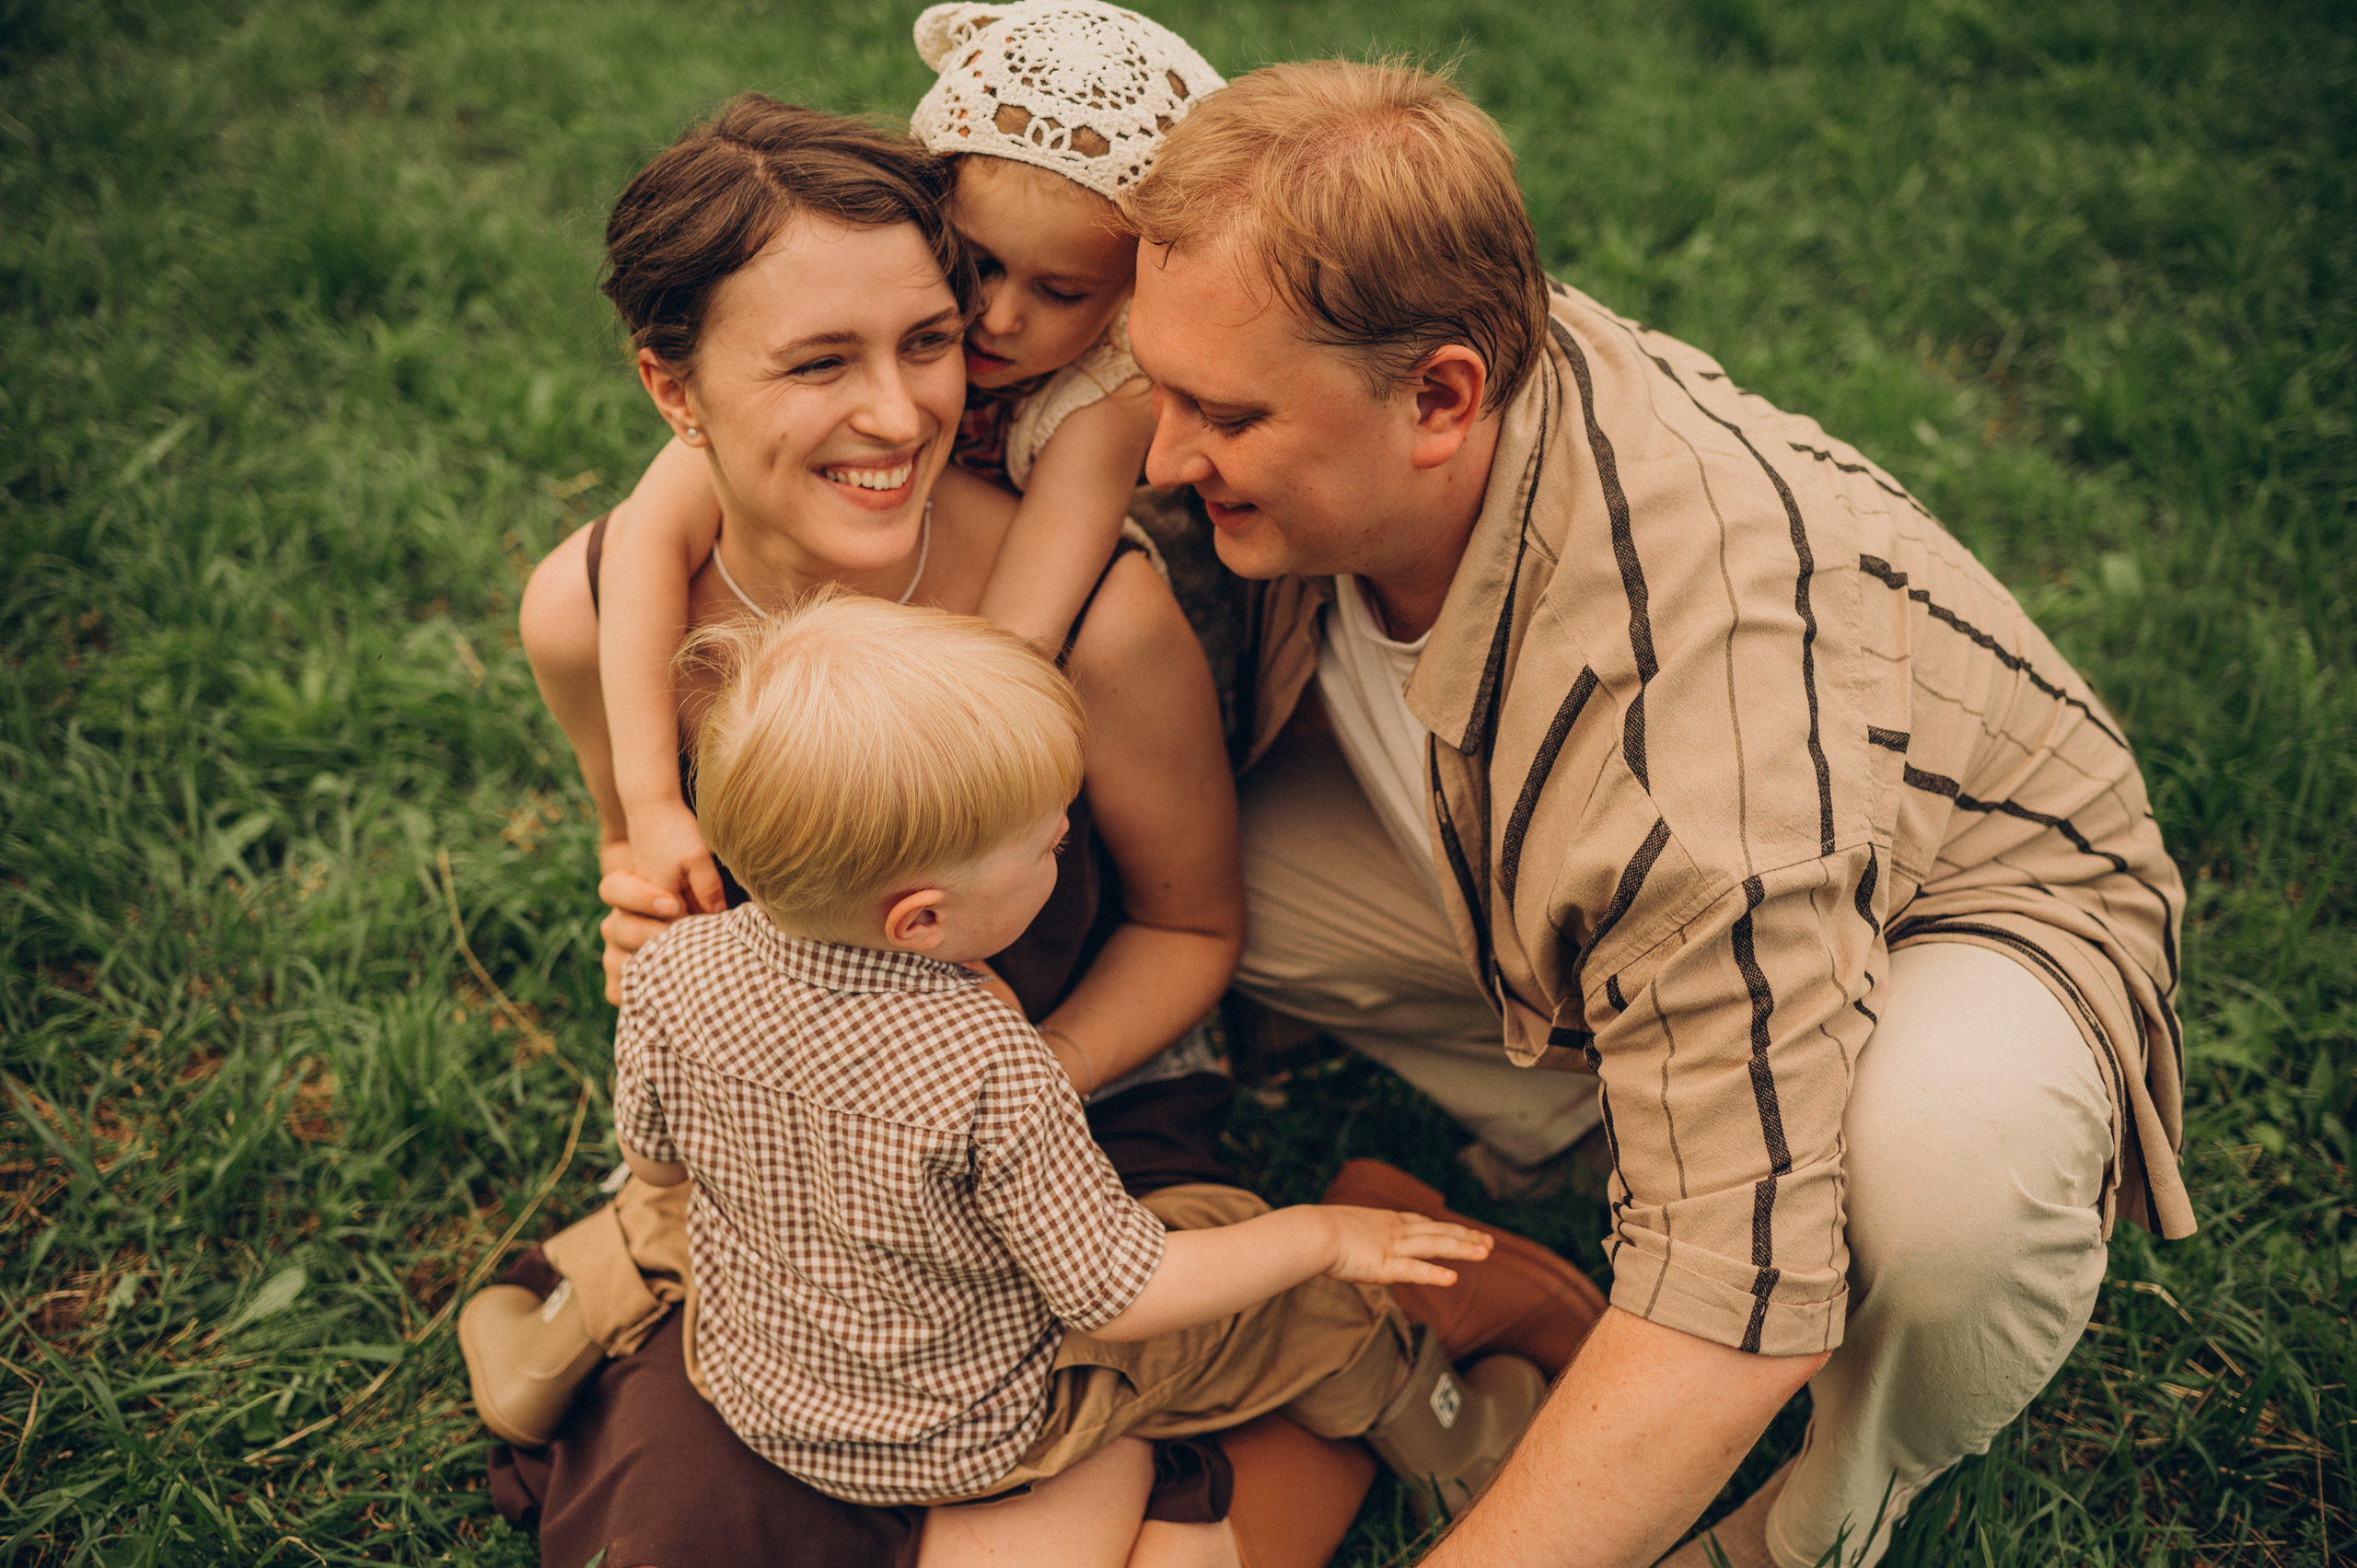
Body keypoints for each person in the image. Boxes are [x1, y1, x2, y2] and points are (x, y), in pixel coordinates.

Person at [494, 90, 1602, 1568]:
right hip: (804, 1168)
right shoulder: (601, 619)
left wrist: (989, 1096)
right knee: (683, 1533)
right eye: (821, 362)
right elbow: (665, 900)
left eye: (930, 341)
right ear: (672, 388)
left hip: (1078, 1110)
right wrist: (654, 913)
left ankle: (1370, 1308)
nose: (898, 414)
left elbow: (1195, 928)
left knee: (1120, 1515)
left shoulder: (1094, 616)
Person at [1118, 60, 2191, 1568]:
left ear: (1441, 397)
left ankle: (1813, 1509)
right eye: (1150, 383)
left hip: (1962, 904)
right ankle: (1620, 1119)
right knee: (1186, 883)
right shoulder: (1352, 353)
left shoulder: (1696, 711)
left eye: (1219, 414)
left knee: (1944, 1195)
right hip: (1575, 843)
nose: (1159, 454)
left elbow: (1730, 1302)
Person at [593, 588, 1538, 1549]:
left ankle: (582, 1306)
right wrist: (1322, 1234)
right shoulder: (989, 1062)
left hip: (764, 1390)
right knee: (1293, 1299)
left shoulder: (671, 967)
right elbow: (1121, 1296)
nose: (1061, 845)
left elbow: (660, 1167)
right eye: (1047, 843)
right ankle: (1453, 1437)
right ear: (919, 919)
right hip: (973, 1429)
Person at [586, 0, 1223, 923]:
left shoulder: (1105, 401)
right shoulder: (883, 309)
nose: (998, 319)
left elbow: (1015, 643)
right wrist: (644, 809)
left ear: (1126, 294)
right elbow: (646, 536)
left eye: (1061, 290)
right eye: (974, 265)